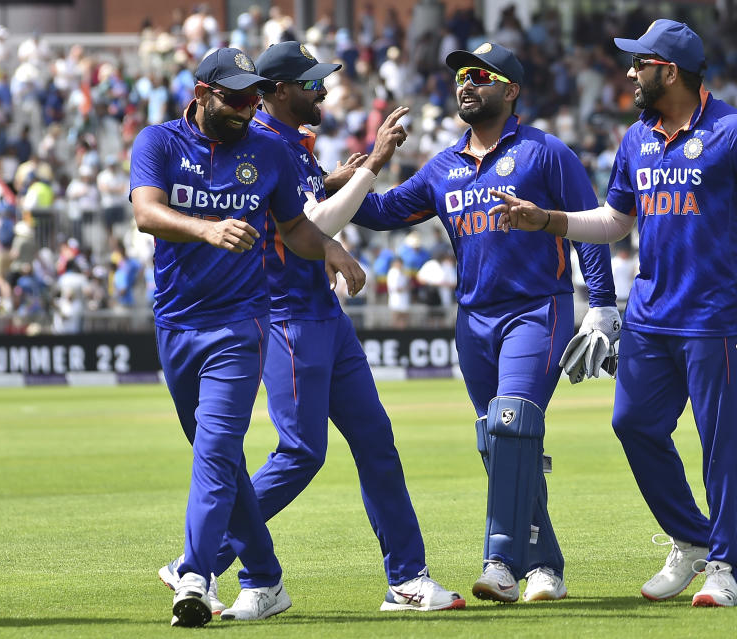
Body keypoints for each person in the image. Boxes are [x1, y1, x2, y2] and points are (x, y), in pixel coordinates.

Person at [489, 20, 737, 608]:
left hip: (717, 319)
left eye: (639, 64)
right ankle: (692, 538)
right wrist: (547, 218)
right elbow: (615, 221)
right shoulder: (636, 138)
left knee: (720, 445)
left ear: (669, 70)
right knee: (632, 425)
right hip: (650, 318)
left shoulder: (735, 131)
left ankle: (724, 567)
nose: (629, 74)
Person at [158, 40, 464, 613]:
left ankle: (407, 578)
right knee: (300, 451)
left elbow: (305, 207)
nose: (323, 90)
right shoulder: (263, 142)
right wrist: (372, 166)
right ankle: (201, 562)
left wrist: (338, 181)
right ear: (276, 92)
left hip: (323, 313)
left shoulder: (292, 145)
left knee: (377, 443)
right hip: (286, 315)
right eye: (310, 83)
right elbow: (310, 225)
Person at [350, 43, 619, 603]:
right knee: (498, 442)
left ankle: (500, 561)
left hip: (536, 309)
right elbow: (379, 213)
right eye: (461, 77)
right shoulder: (443, 167)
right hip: (472, 322)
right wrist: (354, 172)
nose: (465, 85)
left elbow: (591, 224)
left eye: (480, 76)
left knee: (513, 421)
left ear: (511, 90)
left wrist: (603, 305)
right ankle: (546, 565)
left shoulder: (545, 154)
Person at [129, 47, 366, 627]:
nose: (246, 108)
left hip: (242, 323)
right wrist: (206, 231)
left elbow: (294, 228)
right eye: (234, 97)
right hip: (176, 323)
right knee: (221, 460)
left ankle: (195, 575)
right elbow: (146, 214)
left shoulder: (270, 151)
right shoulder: (157, 143)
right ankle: (265, 576)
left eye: (253, 98)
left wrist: (331, 248)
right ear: (201, 92)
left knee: (214, 451)